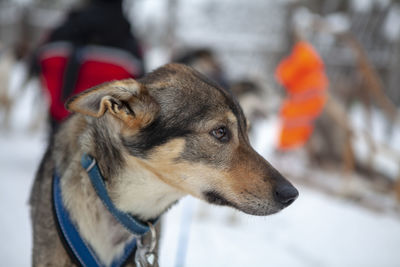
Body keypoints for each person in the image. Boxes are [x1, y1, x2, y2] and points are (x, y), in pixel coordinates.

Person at [30, 0, 145, 135]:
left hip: (61, 122)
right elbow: (141, 86)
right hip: (104, 134)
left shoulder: (65, 28)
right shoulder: (126, 39)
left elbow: (37, 63)